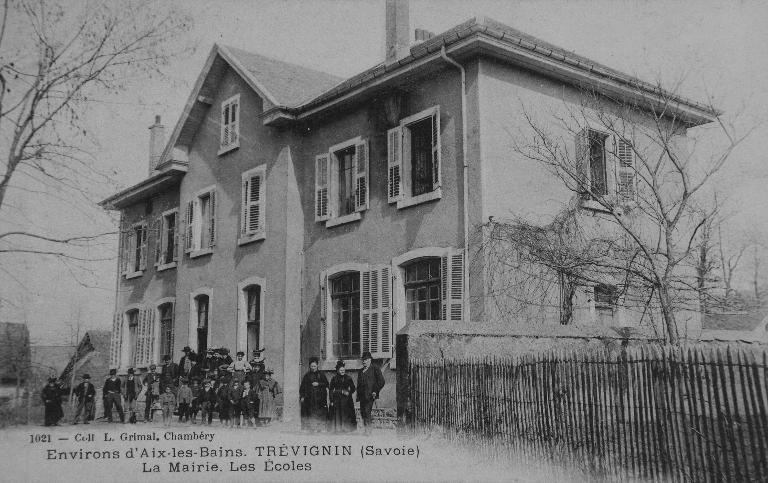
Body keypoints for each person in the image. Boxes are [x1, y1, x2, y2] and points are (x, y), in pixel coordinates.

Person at [356, 351, 385, 435]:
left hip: (370, 395)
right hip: (362, 396)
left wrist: (375, 391)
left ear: (370, 360)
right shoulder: (360, 371)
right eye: (363, 360)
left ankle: (368, 430)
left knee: (367, 411)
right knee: (362, 412)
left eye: (366, 360)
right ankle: (366, 429)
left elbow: (381, 381)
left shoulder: (375, 369)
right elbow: (359, 384)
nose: (364, 361)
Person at [299, 357, 328, 432]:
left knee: (320, 413)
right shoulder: (307, 375)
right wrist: (302, 396)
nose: (313, 368)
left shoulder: (321, 374)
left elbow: (326, 384)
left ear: (317, 366)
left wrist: (318, 383)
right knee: (311, 413)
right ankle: (312, 428)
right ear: (309, 366)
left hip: (320, 398)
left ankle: (320, 428)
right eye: (312, 366)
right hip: (310, 398)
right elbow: (302, 386)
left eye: (314, 366)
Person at [329, 361, 357, 433]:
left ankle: (347, 429)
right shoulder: (334, 379)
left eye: (343, 370)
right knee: (338, 415)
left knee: (347, 414)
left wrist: (348, 392)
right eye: (341, 370)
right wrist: (331, 400)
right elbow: (331, 390)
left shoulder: (348, 378)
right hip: (337, 400)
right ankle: (339, 429)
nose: (342, 371)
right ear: (337, 370)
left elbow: (353, 388)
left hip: (347, 401)